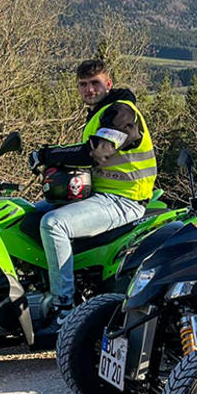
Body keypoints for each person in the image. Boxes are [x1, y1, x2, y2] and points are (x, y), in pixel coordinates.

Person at [27, 59, 157, 327]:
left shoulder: (121, 113)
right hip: (100, 196)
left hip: (125, 200)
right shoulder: (102, 112)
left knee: (53, 224)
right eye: (83, 85)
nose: (89, 90)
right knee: (22, 213)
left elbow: (96, 151)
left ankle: (65, 307)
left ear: (108, 84)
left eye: (95, 83)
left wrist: (48, 154)